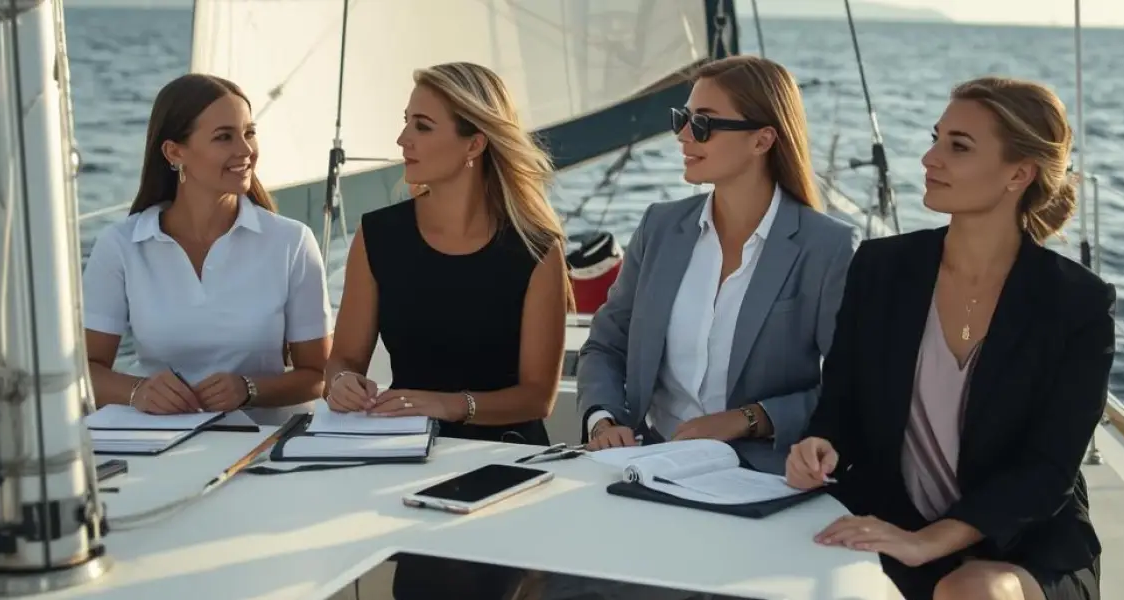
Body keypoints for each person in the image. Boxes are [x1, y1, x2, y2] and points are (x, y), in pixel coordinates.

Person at [785, 76, 1113, 600]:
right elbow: (840, 406)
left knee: (972, 593)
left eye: (957, 146)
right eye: (935, 138)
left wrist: (931, 542)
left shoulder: (1076, 304)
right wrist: (818, 447)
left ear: (1019, 173)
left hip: (1023, 539)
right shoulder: (880, 268)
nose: (929, 158)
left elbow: (1048, 470)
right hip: (891, 516)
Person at [574, 55, 856, 475]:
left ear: (762, 141)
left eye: (703, 124)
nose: (684, 136)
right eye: (681, 119)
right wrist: (604, 418)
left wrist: (747, 420)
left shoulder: (825, 246)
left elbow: (849, 386)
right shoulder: (659, 226)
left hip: (759, 474)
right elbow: (606, 343)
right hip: (646, 461)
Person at [323, 61, 568, 444]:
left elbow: (537, 398)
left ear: (474, 143)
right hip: (401, 446)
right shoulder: (378, 235)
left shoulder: (535, 249)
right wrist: (340, 382)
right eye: (406, 122)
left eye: (422, 126)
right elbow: (344, 359)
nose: (403, 139)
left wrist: (451, 405)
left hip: (505, 455)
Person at [82, 73, 331, 425]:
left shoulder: (291, 242)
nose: (245, 150)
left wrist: (249, 389)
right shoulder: (120, 246)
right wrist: (139, 391)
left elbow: (319, 375)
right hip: (160, 442)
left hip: (266, 443)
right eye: (224, 137)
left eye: (249, 133)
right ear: (174, 152)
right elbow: (85, 371)